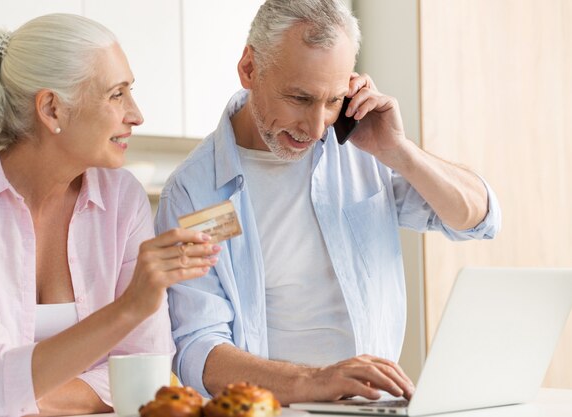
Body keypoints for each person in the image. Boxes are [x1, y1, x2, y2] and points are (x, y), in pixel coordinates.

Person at [155, 0, 501, 405]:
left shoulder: (360, 148)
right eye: (299, 98)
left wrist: (399, 151)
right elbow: (198, 349)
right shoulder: (195, 192)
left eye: (333, 100)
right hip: (277, 410)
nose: (317, 126)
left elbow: (476, 218)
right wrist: (316, 380)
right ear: (249, 69)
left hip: (375, 408)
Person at [0, 14, 220, 417]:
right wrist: (128, 307)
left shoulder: (121, 198)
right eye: (116, 94)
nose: (137, 114)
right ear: (52, 109)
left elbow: (147, 376)